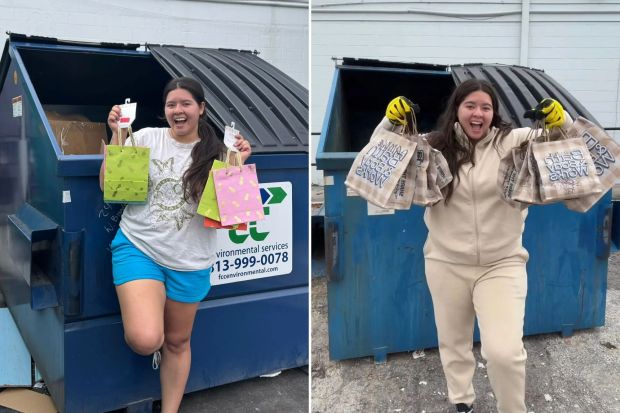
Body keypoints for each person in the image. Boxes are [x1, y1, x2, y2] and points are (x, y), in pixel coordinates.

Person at [385, 80, 570, 413]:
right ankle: (462, 401)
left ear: (494, 113)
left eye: (486, 107)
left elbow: (572, 149)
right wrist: (390, 123)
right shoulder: (432, 145)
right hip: (445, 263)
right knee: (453, 342)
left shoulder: (514, 143)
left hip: (502, 264)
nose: (478, 113)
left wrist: (562, 120)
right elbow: (383, 155)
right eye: (471, 105)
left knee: (504, 351)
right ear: (457, 108)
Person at [99, 76, 251, 413]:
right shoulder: (145, 138)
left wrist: (236, 165)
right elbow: (111, 187)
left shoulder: (218, 152)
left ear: (201, 109)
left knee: (178, 341)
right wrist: (117, 135)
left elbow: (233, 215)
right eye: (171, 104)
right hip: (140, 247)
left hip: (191, 260)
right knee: (146, 339)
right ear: (164, 110)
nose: (178, 110)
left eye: (185, 104)